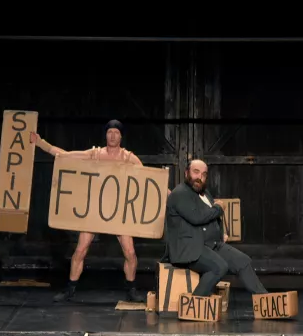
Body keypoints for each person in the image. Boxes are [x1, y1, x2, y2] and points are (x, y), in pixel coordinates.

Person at [30, 119, 144, 302]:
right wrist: (40, 143)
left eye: (116, 132)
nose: (112, 135)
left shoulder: (129, 158)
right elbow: (66, 156)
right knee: (81, 250)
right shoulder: (96, 154)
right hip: (95, 210)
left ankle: (131, 289)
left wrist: (169, 193)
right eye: (110, 132)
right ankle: (70, 289)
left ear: (121, 136)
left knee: (130, 253)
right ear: (106, 135)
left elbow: (149, 180)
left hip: (118, 211)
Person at [165, 159, 268, 297]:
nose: (200, 177)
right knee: (219, 267)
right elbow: (198, 217)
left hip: (210, 244)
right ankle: (195, 303)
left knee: (242, 261)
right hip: (189, 249)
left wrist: (220, 234)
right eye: (196, 172)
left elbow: (212, 218)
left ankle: (265, 300)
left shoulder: (205, 194)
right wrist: (219, 207)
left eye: (204, 174)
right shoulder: (180, 193)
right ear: (186, 173)